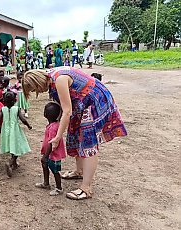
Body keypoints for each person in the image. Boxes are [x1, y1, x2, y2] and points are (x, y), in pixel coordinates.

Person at [22, 66, 127, 200]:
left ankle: (86, 188)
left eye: (34, 89)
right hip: (81, 104)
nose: (37, 92)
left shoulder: (59, 79)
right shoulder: (51, 79)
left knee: (87, 143)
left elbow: (67, 111)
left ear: (37, 82)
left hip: (93, 101)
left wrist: (57, 136)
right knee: (76, 134)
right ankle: (79, 171)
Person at [0, 92, 32, 178]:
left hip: (6, 130)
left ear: (4, 101)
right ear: (15, 100)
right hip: (15, 131)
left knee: (12, 146)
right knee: (17, 147)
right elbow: (23, 119)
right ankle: (10, 163)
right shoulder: (17, 109)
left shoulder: (3, 109)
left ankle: (15, 164)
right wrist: (28, 125)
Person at [35, 102, 66, 196]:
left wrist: (45, 156)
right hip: (49, 153)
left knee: (55, 171)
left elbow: (52, 144)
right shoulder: (55, 125)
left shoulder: (53, 128)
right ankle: (46, 183)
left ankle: (59, 188)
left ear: (45, 114)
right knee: (45, 166)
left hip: (53, 155)